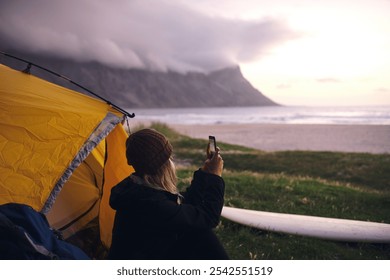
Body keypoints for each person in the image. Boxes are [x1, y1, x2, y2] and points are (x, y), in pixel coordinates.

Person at [107, 128, 228, 260]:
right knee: (203, 235)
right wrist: (215, 178)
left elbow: (184, 207)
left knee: (196, 230)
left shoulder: (135, 188)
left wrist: (205, 174)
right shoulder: (154, 205)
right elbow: (208, 218)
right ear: (162, 165)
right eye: (168, 157)